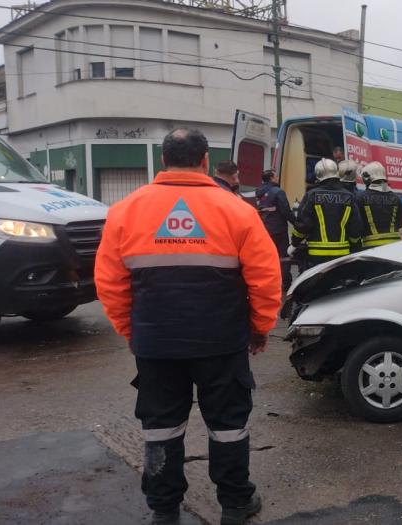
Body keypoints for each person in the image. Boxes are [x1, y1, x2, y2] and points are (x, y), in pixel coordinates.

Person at [94, 129, 281, 525]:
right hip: (222, 342)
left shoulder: (125, 211)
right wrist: (261, 328)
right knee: (228, 425)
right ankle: (235, 503)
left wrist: (132, 331)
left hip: (156, 343)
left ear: (164, 161)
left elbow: (110, 284)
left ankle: (164, 509)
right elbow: (265, 278)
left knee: (160, 425)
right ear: (205, 161)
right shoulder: (237, 210)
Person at [292, 158, 362, 267]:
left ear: (318, 175)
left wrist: (294, 243)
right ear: (336, 172)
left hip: (316, 256)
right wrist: (354, 244)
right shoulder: (349, 196)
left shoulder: (312, 195)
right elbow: (355, 227)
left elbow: (303, 225)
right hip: (342, 255)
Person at [256, 169, 295, 293]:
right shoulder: (278, 192)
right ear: (272, 178)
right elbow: (286, 211)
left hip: (265, 229)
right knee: (283, 256)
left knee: (267, 257)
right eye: (276, 176)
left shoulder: (259, 192)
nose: (277, 177)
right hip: (279, 229)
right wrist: (298, 223)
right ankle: (285, 284)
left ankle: (265, 283)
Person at [356, 161, 402, 249]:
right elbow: (401, 222)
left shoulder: (361, 198)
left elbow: (358, 224)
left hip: (371, 248)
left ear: (367, 178)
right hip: (394, 247)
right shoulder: (395, 198)